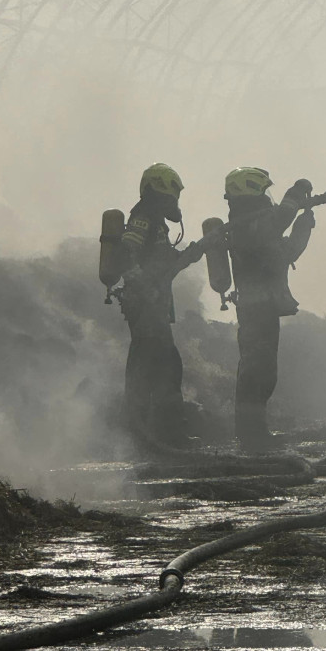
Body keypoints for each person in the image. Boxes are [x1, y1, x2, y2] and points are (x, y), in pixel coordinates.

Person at [225, 167, 322, 453]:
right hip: (255, 309)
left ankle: (256, 432)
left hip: (265, 307)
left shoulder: (259, 225)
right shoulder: (246, 223)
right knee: (256, 371)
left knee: (265, 372)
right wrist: (295, 193)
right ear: (250, 192)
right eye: (263, 191)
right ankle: (250, 436)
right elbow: (278, 220)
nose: (268, 197)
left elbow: (287, 252)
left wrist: (304, 225)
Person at [120, 163, 203, 450]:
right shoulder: (144, 216)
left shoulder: (155, 220)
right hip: (146, 308)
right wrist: (140, 285)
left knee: (154, 366)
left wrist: (190, 255)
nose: (175, 203)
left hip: (153, 306)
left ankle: (148, 433)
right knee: (162, 366)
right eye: (172, 196)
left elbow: (163, 265)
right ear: (160, 191)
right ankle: (159, 434)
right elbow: (127, 251)